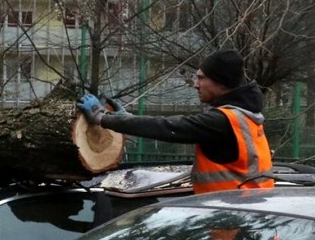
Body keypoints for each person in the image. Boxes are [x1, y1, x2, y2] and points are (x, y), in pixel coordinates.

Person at [77, 50, 274, 194]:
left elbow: (167, 127)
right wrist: (126, 119)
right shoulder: (245, 116)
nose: (195, 85)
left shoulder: (223, 121)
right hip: (248, 217)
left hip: (232, 225)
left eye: (201, 78)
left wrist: (102, 118)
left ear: (221, 82)